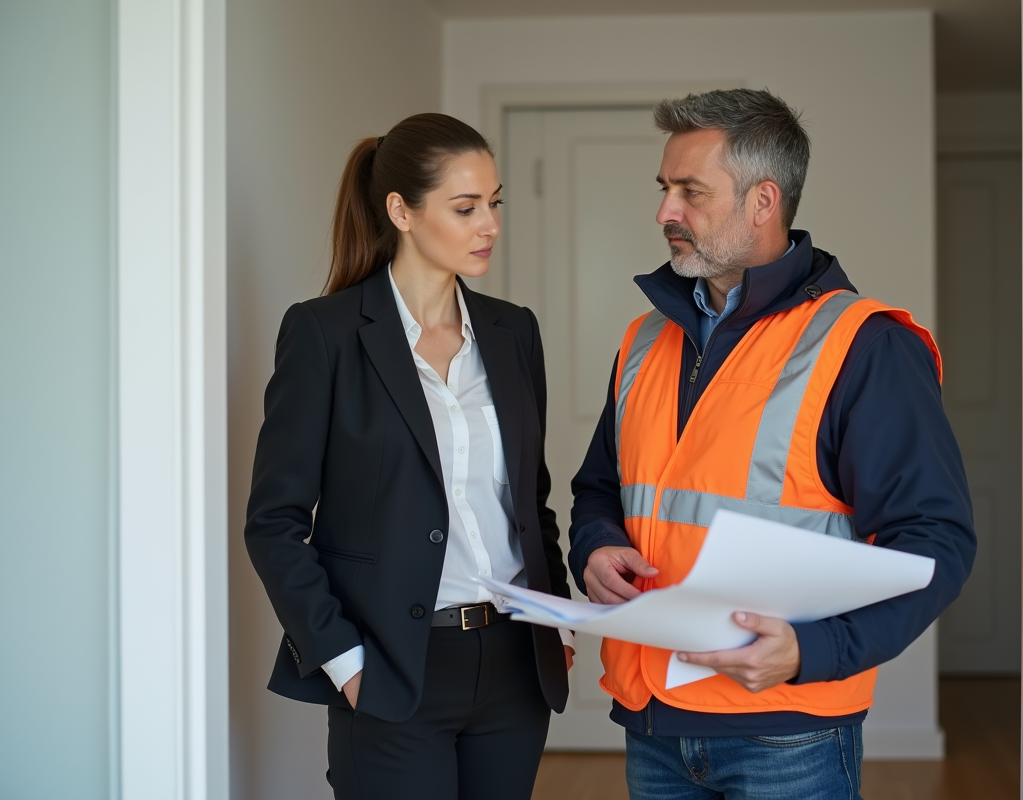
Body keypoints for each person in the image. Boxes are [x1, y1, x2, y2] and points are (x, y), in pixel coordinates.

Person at [568, 89, 976, 799]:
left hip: (789, 736)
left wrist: (815, 652)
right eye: (664, 189)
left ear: (764, 201)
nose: (665, 211)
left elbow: (937, 541)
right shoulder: (644, 341)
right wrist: (594, 546)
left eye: (690, 191)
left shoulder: (865, 346)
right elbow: (600, 488)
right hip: (653, 725)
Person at [244, 113, 574, 800]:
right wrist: (345, 662)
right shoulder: (325, 334)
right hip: (393, 669)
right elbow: (273, 523)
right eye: (465, 207)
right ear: (401, 210)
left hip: (515, 668)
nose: (489, 224)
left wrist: (557, 618)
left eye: (496, 202)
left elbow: (528, 504)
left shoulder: (515, 332)